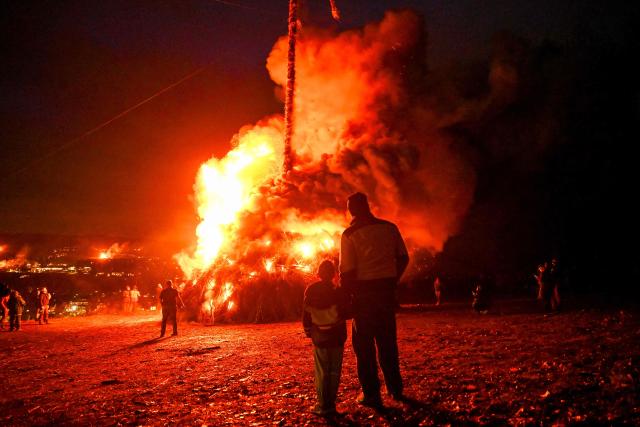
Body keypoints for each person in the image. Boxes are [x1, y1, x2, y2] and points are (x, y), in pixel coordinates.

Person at [339, 192, 409, 407]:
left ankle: (371, 394)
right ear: (367, 206)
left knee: (364, 346)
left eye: (350, 207)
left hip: (364, 296)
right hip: (386, 294)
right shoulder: (389, 227)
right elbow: (404, 257)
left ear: (352, 209)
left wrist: (347, 296)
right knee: (388, 342)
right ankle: (395, 389)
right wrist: (392, 280)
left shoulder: (350, 234)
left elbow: (347, 271)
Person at [303, 260, 349, 417]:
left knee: (322, 370)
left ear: (319, 273)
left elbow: (306, 313)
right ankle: (331, 404)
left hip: (320, 337)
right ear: (334, 274)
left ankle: (323, 405)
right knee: (335, 370)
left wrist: (309, 331)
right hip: (337, 337)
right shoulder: (338, 290)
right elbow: (345, 313)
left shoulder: (311, 290)